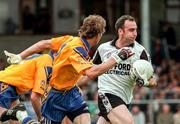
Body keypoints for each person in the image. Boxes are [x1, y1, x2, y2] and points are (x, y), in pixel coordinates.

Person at [3, 14, 135, 124]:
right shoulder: (76, 51)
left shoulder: (70, 39)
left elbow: (43, 44)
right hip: (55, 98)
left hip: (72, 93)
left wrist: (20, 56)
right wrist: (116, 58)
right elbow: (91, 73)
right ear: (99, 35)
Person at [77, 15, 157, 124]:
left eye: (136, 30)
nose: (135, 33)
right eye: (131, 30)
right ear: (120, 31)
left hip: (124, 101)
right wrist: (73, 85)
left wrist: (146, 82)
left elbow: (153, 80)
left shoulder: (140, 51)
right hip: (107, 95)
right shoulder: (103, 48)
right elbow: (90, 73)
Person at [0, 53, 53, 123]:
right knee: (10, 114)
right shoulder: (46, 61)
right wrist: (41, 119)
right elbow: (35, 97)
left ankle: (19, 114)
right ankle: (19, 113)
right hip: (7, 83)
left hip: (9, 84)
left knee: (15, 115)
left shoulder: (40, 59)